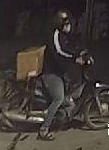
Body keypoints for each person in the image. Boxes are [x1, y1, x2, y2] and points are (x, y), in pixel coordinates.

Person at [39, 9, 83, 140]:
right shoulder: (56, 35)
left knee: (69, 93)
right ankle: (44, 129)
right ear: (60, 24)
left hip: (60, 72)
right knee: (58, 98)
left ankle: (59, 118)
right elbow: (60, 52)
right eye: (67, 23)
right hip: (51, 73)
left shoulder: (64, 36)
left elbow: (69, 48)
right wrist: (75, 59)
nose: (69, 26)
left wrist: (80, 53)